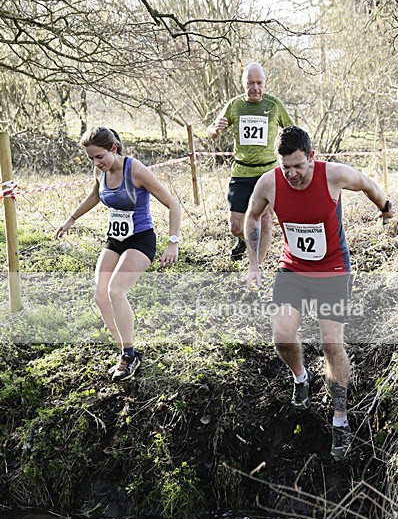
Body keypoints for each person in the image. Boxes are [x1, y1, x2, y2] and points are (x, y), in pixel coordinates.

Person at [244, 126, 394, 461]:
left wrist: (385, 205)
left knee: (331, 344)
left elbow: (367, 184)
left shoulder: (334, 175)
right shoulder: (269, 183)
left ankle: (340, 420)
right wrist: (254, 263)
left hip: (332, 269)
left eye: (298, 165)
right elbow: (252, 218)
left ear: (311, 157)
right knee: (282, 337)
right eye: (286, 167)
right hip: (293, 268)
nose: (293, 173)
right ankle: (301, 377)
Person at [55, 126, 181, 382]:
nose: (96, 162)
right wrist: (71, 219)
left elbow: (173, 204)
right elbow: (94, 196)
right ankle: (125, 348)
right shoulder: (99, 171)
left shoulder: (135, 169)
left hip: (141, 240)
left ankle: (129, 354)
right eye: (91, 158)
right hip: (115, 239)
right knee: (100, 294)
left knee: (115, 291)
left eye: (99, 156)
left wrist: (173, 243)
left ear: (113, 147)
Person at [208, 62, 293, 261]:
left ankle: (256, 269)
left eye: (259, 83)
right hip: (241, 172)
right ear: (243, 84)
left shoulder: (274, 105)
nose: (255, 88)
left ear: (265, 83)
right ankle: (245, 240)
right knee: (236, 226)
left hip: (268, 172)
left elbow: (291, 130)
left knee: (264, 221)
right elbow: (211, 131)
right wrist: (215, 130)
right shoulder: (235, 105)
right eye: (250, 83)